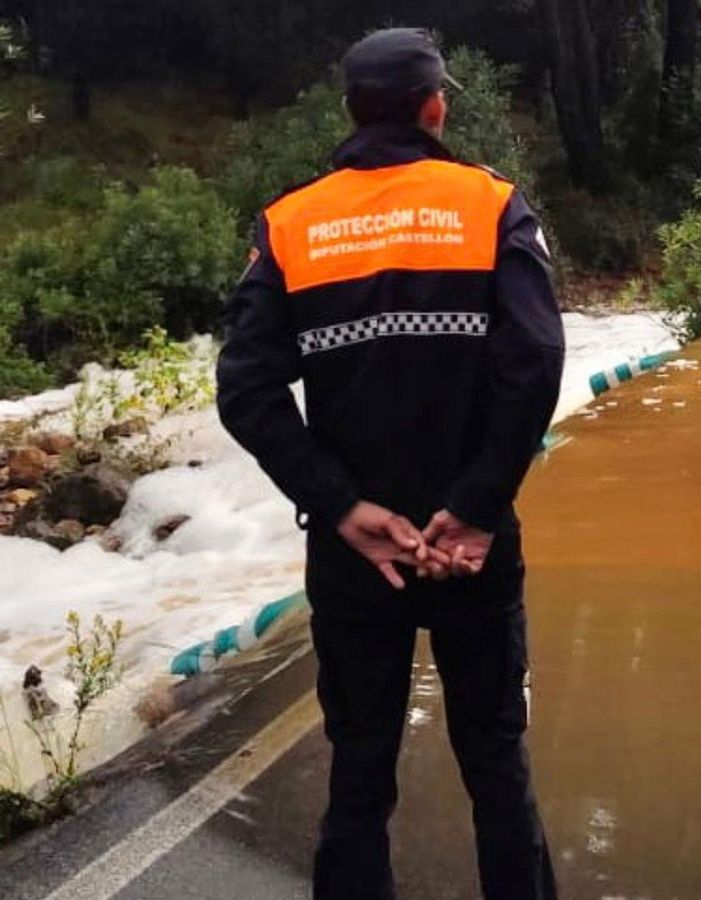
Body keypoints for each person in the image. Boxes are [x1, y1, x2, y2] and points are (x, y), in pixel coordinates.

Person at [216, 27, 564, 900]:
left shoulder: (292, 223)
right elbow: (535, 363)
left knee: (359, 776)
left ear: (349, 112)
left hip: (354, 555)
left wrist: (340, 507)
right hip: (472, 550)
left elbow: (247, 390)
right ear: (435, 106)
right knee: (497, 772)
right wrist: (478, 508)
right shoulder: (490, 207)